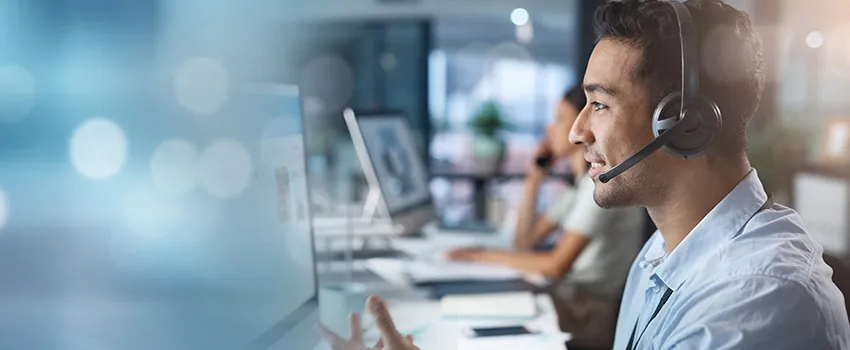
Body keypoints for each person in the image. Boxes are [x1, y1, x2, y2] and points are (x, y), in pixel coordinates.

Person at [317, 0, 850, 349]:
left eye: (599, 105)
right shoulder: (664, 255)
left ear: (682, 123)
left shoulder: (755, 302)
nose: (574, 133)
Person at [445, 85, 645, 349]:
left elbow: (555, 265)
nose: (551, 129)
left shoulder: (599, 189)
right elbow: (524, 242)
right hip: (572, 301)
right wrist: (533, 180)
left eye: (560, 119)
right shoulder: (577, 186)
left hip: (590, 313)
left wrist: (478, 255)